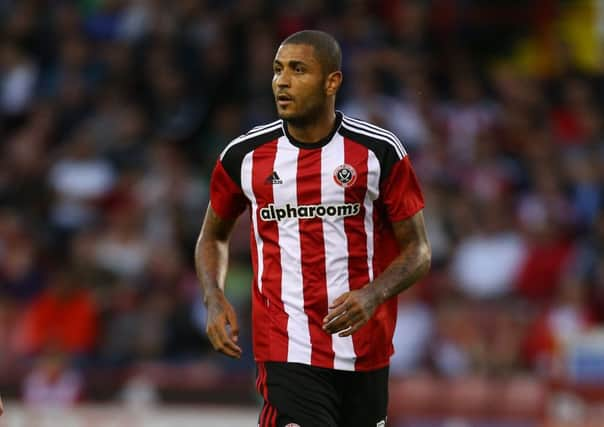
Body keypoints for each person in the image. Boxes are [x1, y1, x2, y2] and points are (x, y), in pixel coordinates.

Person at [195, 30, 431, 427]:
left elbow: (419, 251)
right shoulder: (244, 156)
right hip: (287, 348)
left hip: (365, 350)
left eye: (298, 70)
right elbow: (213, 236)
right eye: (277, 70)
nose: (282, 82)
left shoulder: (379, 152)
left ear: (332, 81)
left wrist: (373, 295)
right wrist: (214, 298)